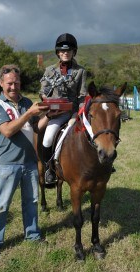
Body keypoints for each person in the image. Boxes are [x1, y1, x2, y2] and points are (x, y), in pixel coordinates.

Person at [0, 64, 49, 261]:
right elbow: (8, 130)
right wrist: (29, 113)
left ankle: (33, 235)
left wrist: (48, 116)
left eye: (17, 82)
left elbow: (36, 127)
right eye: (10, 83)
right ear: (1, 83)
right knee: (1, 205)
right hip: (9, 163)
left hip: (30, 162)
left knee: (32, 202)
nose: (14, 86)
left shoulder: (26, 101)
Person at [39, 33, 87, 184]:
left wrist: (77, 115)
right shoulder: (49, 70)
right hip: (55, 113)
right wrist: (48, 102)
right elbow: (42, 91)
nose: (65, 53)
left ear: (74, 52)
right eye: (62, 51)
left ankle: (101, 163)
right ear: (58, 53)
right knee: (47, 138)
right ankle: (49, 170)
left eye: (69, 50)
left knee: (93, 133)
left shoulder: (81, 71)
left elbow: (82, 96)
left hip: (73, 112)